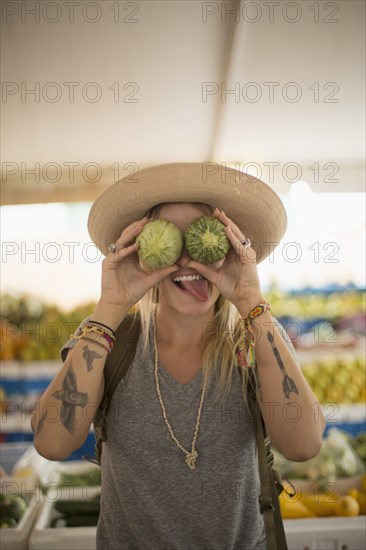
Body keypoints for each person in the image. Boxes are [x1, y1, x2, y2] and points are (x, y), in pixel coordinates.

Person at [31, 163, 325, 550]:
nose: (189, 259)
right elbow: (52, 443)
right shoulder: (108, 338)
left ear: (230, 246)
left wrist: (252, 302)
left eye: (203, 237)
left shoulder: (255, 339)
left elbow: (303, 446)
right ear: (143, 250)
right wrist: (111, 306)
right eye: (170, 239)